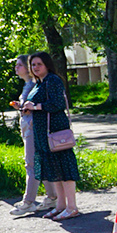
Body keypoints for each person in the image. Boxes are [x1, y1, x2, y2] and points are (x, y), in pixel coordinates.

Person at [27, 52, 80, 219]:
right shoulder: (39, 83)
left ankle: (71, 207)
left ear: (47, 65)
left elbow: (58, 104)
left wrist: (35, 107)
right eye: (33, 65)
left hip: (56, 131)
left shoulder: (53, 80)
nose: (35, 68)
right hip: (43, 133)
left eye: (39, 64)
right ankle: (61, 205)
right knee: (53, 169)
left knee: (64, 168)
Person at [9, 55, 49, 214]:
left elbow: (33, 106)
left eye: (19, 65)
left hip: (33, 126)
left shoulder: (33, 84)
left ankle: (28, 201)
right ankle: (52, 197)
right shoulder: (28, 84)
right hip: (29, 126)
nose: (16, 68)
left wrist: (25, 108)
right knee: (40, 162)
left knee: (31, 163)